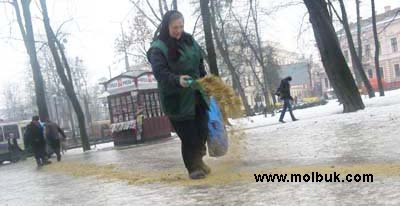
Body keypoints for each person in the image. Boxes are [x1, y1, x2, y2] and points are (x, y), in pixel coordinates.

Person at [147, 10, 210, 179]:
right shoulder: (158, 48)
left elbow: (199, 60)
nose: (178, 30)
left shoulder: (189, 40)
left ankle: (199, 160)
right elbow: (160, 73)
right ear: (166, 26)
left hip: (196, 93)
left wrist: (204, 79)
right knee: (189, 136)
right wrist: (177, 79)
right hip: (176, 99)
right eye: (175, 27)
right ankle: (194, 168)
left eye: (181, 26)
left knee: (203, 130)